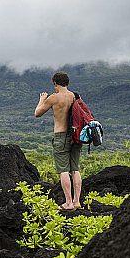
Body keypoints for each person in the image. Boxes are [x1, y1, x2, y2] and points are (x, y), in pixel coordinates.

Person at [34, 71, 83, 211]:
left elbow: (37, 113)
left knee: (63, 170)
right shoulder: (75, 96)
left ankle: (68, 203)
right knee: (75, 169)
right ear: (67, 83)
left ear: (55, 83)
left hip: (61, 136)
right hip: (76, 136)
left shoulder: (54, 98)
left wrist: (42, 99)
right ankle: (77, 201)